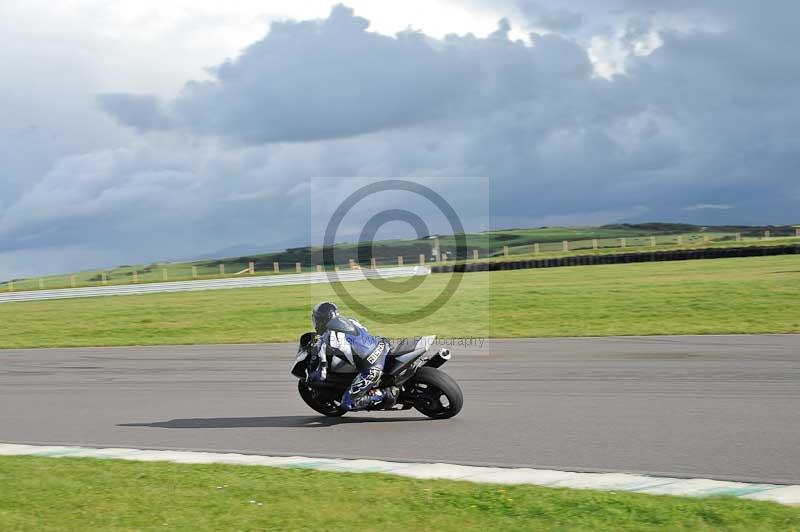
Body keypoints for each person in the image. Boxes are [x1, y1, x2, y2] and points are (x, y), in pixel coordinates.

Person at [309, 301, 399, 411]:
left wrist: (311, 377)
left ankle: (386, 394)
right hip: (381, 344)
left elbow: (322, 376)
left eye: (316, 320)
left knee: (348, 404)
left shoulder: (325, 342)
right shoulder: (350, 320)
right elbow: (364, 332)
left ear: (321, 320)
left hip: (372, 368)